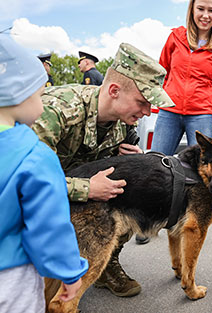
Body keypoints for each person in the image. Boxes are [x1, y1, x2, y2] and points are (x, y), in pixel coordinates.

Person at [32, 42, 174, 298]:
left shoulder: (124, 127)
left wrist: (137, 162)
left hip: (74, 196)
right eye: (142, 102)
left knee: (132, 194)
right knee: (37, 293)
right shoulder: (57, 111)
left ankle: (103, 264)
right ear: (114, 90)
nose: (148, 112)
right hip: (37, 197)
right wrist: (87, 188)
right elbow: (25, 179)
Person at [0, 34, 88, 312]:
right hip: (11, 278)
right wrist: (70, 272)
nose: (45, 99)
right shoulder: (36, 157)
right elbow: (49, 228)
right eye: (41, 93)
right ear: (19, 93)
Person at [150, 0, 212, 155]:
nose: (205, 15)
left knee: (200, 171)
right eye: (200, 9)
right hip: (169, 112)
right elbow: (160, 73)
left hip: (201, 116)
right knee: (156, 162)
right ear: (192, 10)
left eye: (211, 10)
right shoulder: (175, 37)